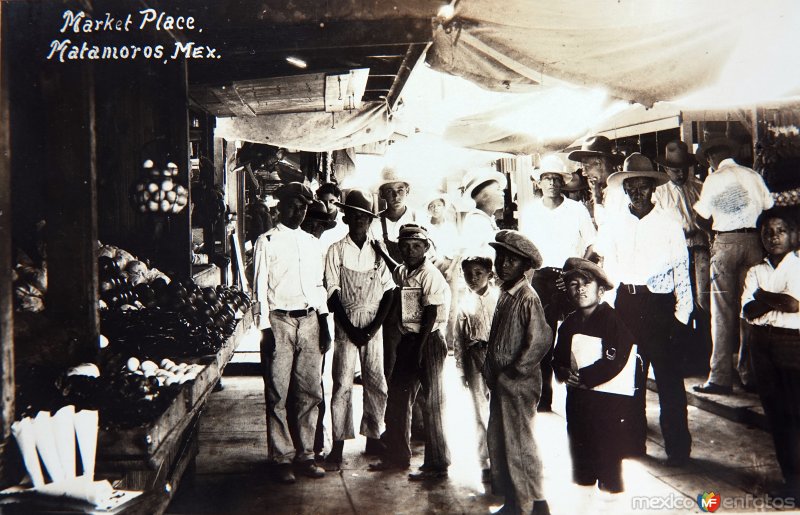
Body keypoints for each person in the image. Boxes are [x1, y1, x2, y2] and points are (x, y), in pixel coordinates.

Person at [593, 154, 693, 466]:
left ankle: (678, 449)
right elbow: (605, 270)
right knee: (630, 377)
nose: (637, 193)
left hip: (660, 306)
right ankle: (633, 442)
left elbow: (682, 271)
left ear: (652, 189)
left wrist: (682, 315)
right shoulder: (613, 225)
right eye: (631, 188)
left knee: (668, 380)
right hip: (626, 304)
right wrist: (608, 311)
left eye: (642, 187)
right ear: (625, 191)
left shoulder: (669, 224)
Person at [252, 182, 332, 484]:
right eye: (292, 206)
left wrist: (324, 322)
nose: (298, 212)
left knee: (310, 391)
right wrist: (264, 328)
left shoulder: (312, 243)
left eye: (302, 207)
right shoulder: (267, 241)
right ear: (279, 208)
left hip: (310, 320)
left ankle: (306, 455)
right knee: (278, 393)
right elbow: (258, 288)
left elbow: (317, 286)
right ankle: (281, 457)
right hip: (280, 322)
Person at [692, 134, 774, 395]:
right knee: (750, 310)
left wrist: (715, 232)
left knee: (722, 312)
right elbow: (768, 209)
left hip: (726, 244)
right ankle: (750, 375)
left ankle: (720, 377)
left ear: (710, 158)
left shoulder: (714, 178)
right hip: (753, 243)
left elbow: (699, 218)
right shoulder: (752, 175)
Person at [369, 224, 451, 481]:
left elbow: (431, 313)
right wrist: (381, 251)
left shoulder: (431, 275)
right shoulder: (405, 270)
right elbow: (395, 268)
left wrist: (419, 348)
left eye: (416, 245)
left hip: (429, 341)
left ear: (426, 248)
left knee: (433, 403)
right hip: (409, 341)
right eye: (405, 245)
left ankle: (437, 463)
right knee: (397, 397)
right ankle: (397, 455)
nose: (410, 250)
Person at [552, 258, 637, 494]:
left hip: (605, 399)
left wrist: (587, 376)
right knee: (579, 441)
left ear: (600, 291)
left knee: (607, 445)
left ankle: (610, 491)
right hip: (577, 398)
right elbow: (558, 357)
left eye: (586, 284)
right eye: (573, 284)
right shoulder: (568, 324)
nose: (579, 289)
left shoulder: (611, 320)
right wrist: (563, 372)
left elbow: (616, 357)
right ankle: (585, 484)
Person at [519, 154, 597, 412]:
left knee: (578, 335)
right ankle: (544, 398)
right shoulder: (530, 212)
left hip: (572, 278)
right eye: (546, 178)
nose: (551, 183)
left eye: (555, 178)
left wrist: (576, 272)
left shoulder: (576, 210)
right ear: (539, 183)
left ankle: (581, 392)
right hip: (542, 278)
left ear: (563, 182)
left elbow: (592, 245)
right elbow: (526, 251)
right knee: (543, 338)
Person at [323, 189, 394, 469]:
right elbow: (332, 292)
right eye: (353, 216)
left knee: (376, 381)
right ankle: (338, 444)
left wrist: (373, 327)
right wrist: (350, 329)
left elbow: (389, 291)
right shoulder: (336, 250)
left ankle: (374, 436)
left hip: (373, 323)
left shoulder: (378, 251)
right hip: (346, 323)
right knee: (341, 382)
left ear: (370, 220)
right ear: (345, 218)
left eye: (364, 217)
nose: (359, 221)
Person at [483, 230, 552, 515]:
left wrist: (515, 372)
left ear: (525, 266)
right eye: (500, 258)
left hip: (518, 383)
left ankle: (533, 505)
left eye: (512, 260)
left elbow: (540, 340)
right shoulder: (505, 294)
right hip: (502, 382)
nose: (503, 264)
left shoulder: (527, 297)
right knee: (501, 442)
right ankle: (514, 500)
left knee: (520, 444)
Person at [741, 208, 800, 500]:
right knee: (776, 414)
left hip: (793, 344)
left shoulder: (798, 267)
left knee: (796, 413)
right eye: (767, 232)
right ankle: (791, 480)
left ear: (795, 236)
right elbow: (748, 312)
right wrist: (769, 300)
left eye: (781, 231)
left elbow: (792, 305)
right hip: (761, 344)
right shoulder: (756, 271)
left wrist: (761, 296)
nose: (774, 237)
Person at [297, 199, 337, 461]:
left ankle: (315, 444)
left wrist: (324, 324)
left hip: (315, 319)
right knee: (287, 391)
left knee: (315, 387)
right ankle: (292, 449)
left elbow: (323, 292)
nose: (315, 230)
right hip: (285, 320)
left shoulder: (321, 251)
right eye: (311, 224)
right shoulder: (289, 244)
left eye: (320, 226)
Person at [453, 255, 499, 484]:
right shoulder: (464, 302)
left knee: (499, 409)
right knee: (480, 411)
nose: (473, 278)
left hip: (498, 357)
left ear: (490, 275)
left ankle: (502, 461)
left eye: (478, 273)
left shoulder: (500, 299)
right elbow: (459, 338)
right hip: (474, 357)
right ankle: (486, 463)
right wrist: (461, 369)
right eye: (468, 274)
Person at [653, 140, 710, 312]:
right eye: (676, 170)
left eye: (684, 170)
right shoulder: (659, 193)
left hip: (701, 249)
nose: (681, 174)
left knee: (704, 297)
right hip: (676, 253)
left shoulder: (699, 188)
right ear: (666, 169)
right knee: (682, 299)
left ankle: (704, 333)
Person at [567, 135, 626, 227]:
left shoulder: (620, 190)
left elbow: (607, 227)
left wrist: (597, 199)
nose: (584, 173)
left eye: (586, 167)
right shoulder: (605, 189)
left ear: (599, 163)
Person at [460, 169, 506, 259]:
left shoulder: (486, 219)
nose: (503, 193)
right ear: (484, 196)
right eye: (498, 189)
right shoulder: (477, 222)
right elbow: (486, 255)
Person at [317, 182, 349, 253]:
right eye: (324, 202)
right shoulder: (314, 220)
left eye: (331, 201)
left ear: (338, 200)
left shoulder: (346, 222)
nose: (328, 206)